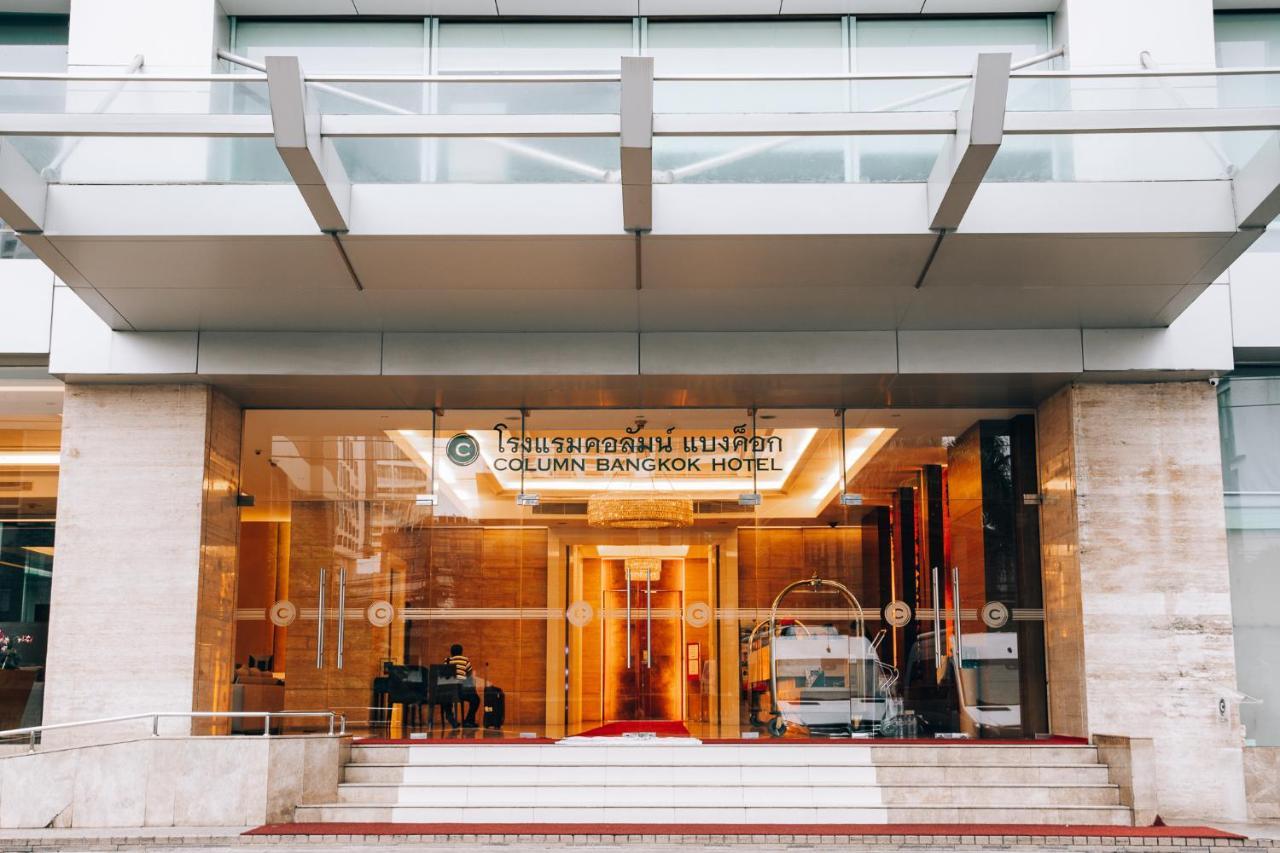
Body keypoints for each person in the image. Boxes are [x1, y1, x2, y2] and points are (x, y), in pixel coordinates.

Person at [443, 643, 480, 729]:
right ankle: (468, 721)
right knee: (476, 700)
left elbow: (445, 676)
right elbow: (469, 674)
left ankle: (451, 718)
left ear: (451, 652)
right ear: (461, 652)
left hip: (450, 691)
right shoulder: (465, 660)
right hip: (462, 690)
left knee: (446, 695)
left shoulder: (447, 660)